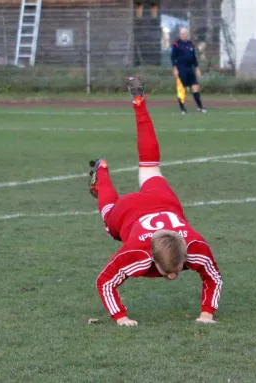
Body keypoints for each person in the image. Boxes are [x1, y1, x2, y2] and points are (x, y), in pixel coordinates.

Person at [88, 76, 221, 326]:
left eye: (177, 269)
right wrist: (121, 318)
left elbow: (214, 277)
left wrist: (206, 315)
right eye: (167, 272)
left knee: (150, 163)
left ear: (185, 251)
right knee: (109, 221)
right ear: (150, 256)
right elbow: (104, 281)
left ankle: (139, 102)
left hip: (163, 202)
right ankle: (101, 171)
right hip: (132, 210)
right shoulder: (134, 251)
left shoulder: (196, 245)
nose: (171, 277)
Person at [171, 27, 206, 114]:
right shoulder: (176, 44)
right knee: (182, 89)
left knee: (195, 87)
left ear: (187, 34)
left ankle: (200, 107)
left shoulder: (190, 44)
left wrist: (197, 68)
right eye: (182, 34)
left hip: (190, 68)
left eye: (185, 33)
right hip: (181, 69)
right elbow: (172, 58)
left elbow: (194, 57)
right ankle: (182, 108)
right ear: (180, 35)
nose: (184, 35)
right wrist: (175, 69)